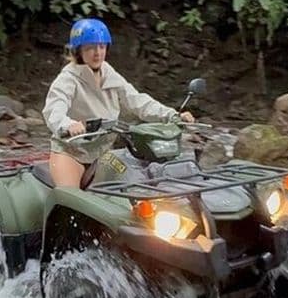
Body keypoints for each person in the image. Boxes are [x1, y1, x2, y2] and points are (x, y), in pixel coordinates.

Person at [41, 18, 195, 187]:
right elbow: (54, 109)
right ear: (78, 50)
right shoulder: (68, 78)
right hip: (71, 152)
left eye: (101, 47)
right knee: (69, 196)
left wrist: (171, 115)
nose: (97, 53)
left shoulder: (108, 73)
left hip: (103, 153)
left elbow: (137, 100)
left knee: (134, 186)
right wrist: (68, 125)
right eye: (90, 47)